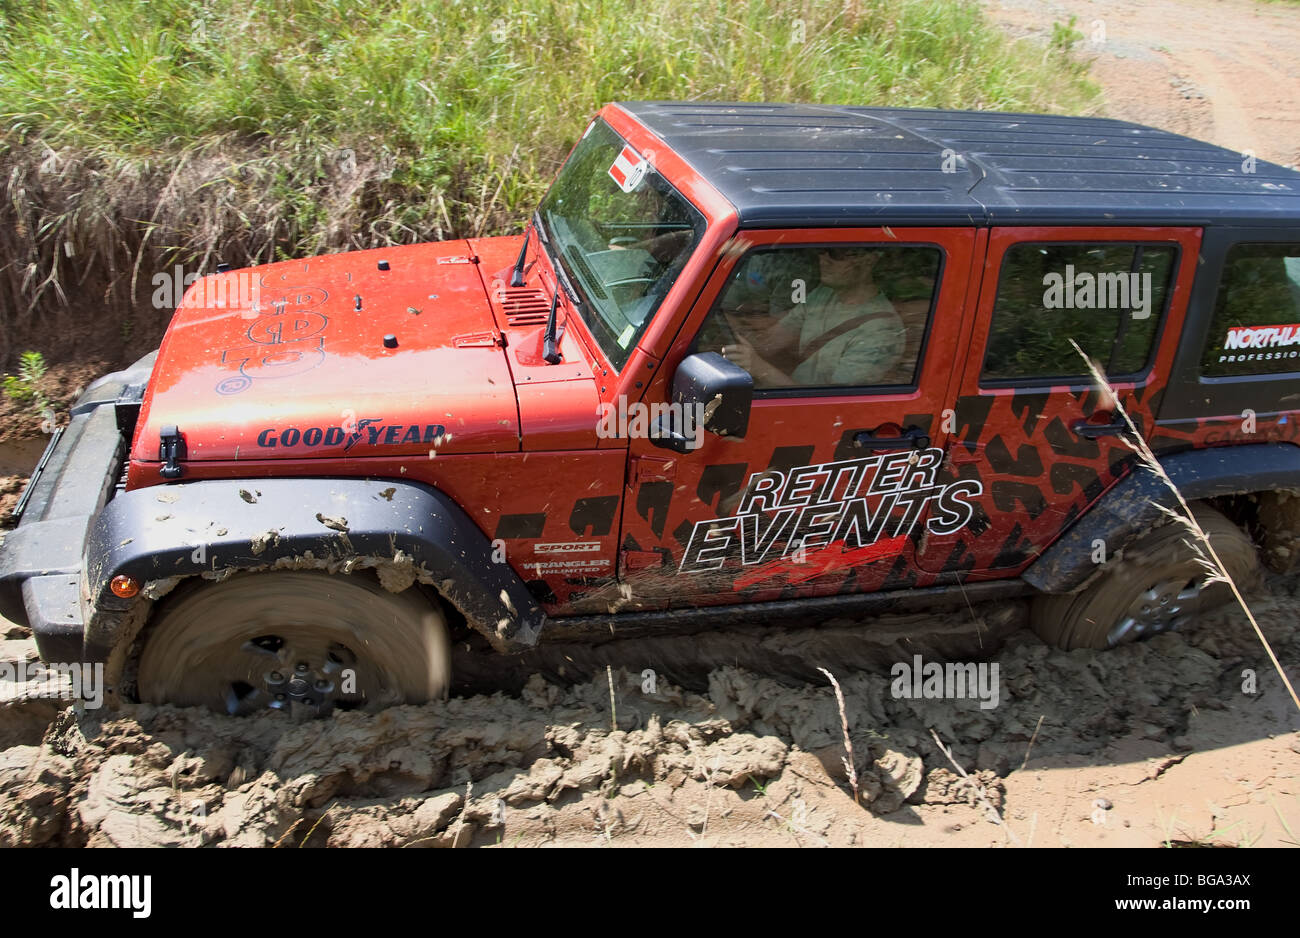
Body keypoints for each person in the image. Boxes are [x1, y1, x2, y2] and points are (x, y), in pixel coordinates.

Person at [717, 247, 906, 388]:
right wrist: (728, 325)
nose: (823, 259)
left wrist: (760, 369)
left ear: (869, 260)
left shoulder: (881, 333)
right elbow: (770, 342)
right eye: (822, 251)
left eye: (836, 254)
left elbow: (831, 407)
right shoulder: (824, 294)